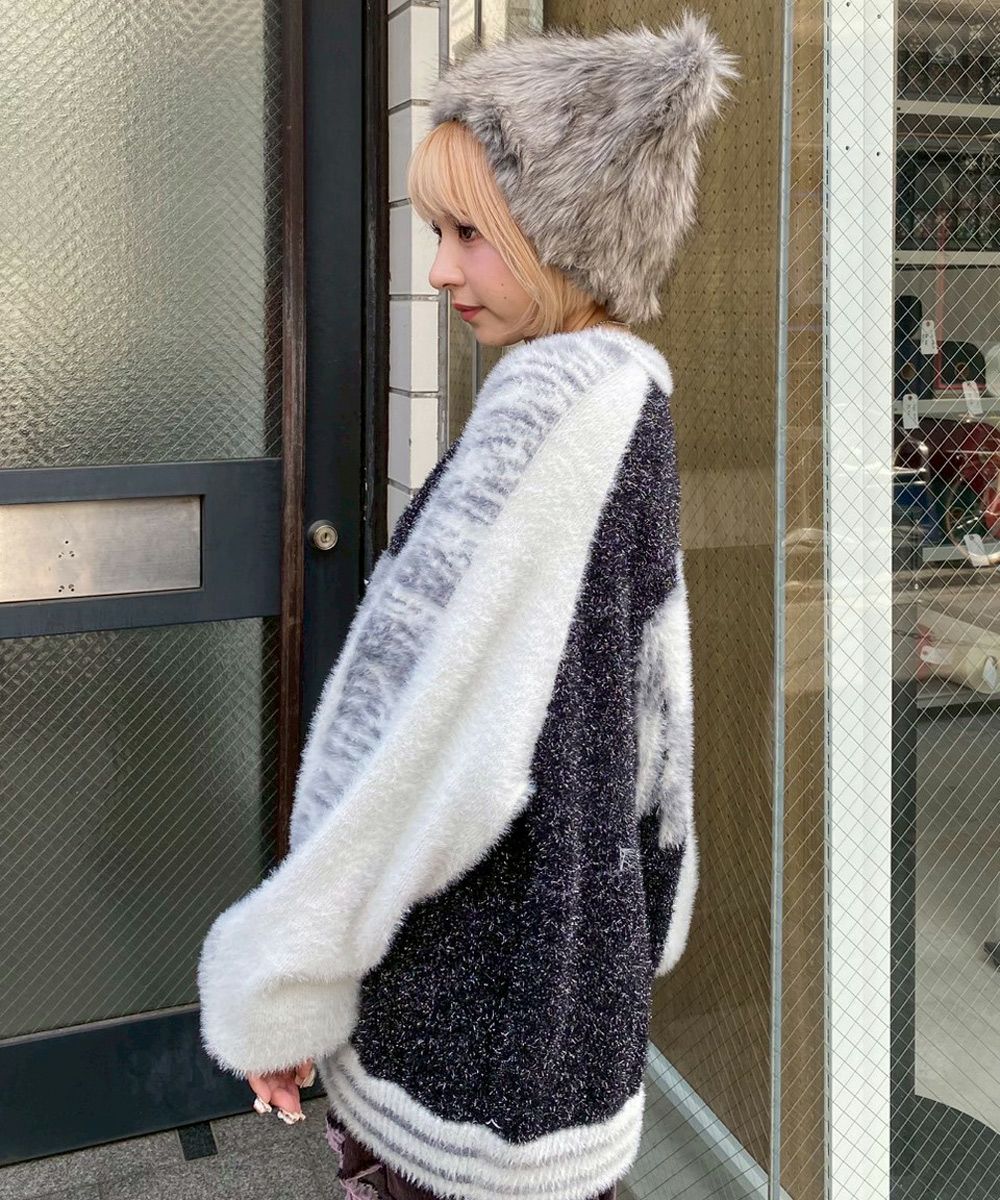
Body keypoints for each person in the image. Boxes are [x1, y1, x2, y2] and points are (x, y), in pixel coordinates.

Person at [196, 12, 739, 1200]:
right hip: (564, 994)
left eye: (469, 234)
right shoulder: (629, 400)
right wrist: (639, 915)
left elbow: (421, 752)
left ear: (568, 231)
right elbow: (658, 713)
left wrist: (287, 980)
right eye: (436, 232)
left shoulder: (539, 417)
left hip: (474, 1006)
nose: (440, 270)